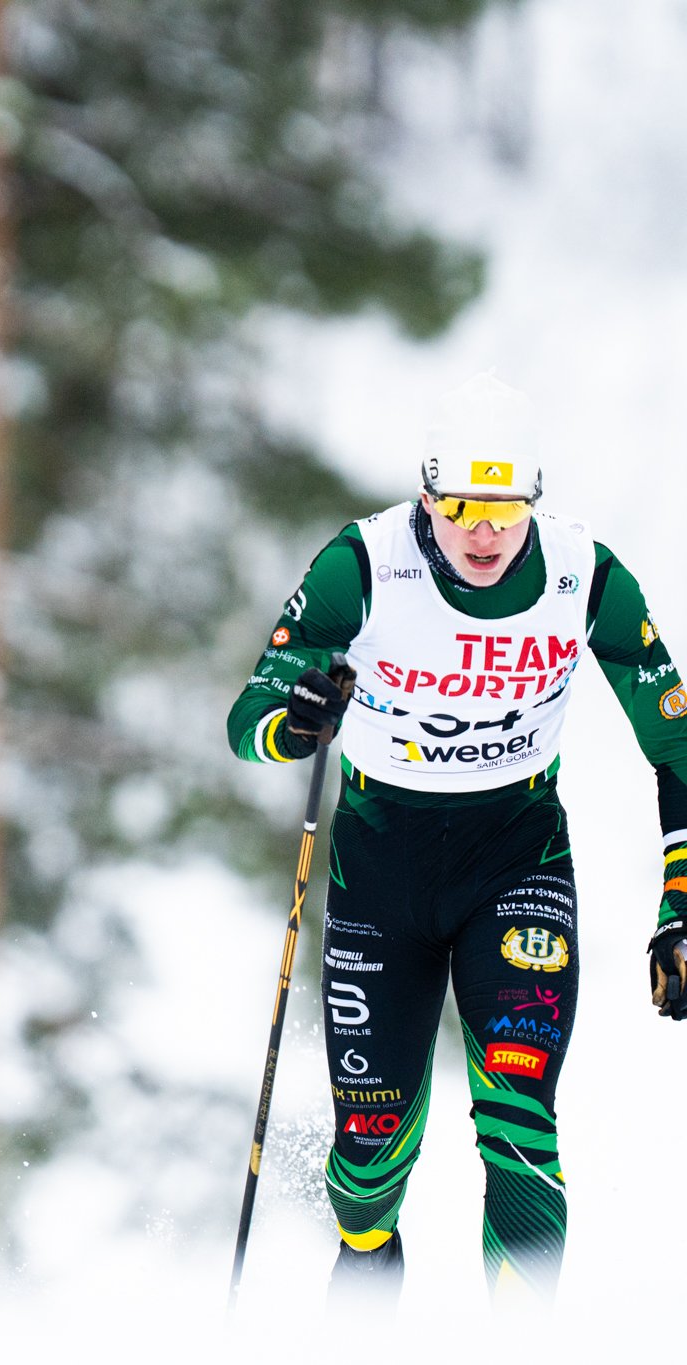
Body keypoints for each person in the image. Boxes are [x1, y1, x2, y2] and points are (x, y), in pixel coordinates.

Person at [225, 373, 687, 1306]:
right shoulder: (363, 564)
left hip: (515, 856)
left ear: (535, 500)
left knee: (521, 1119)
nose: (484, 533)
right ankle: (365, 1284)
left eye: (506, 510)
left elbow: (675, 743)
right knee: (367, 1166)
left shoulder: (585, 575)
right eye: (464, 507)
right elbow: (248, 722)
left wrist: (680, 902)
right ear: (428, 495)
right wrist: (297, 718)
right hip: (379, 866)